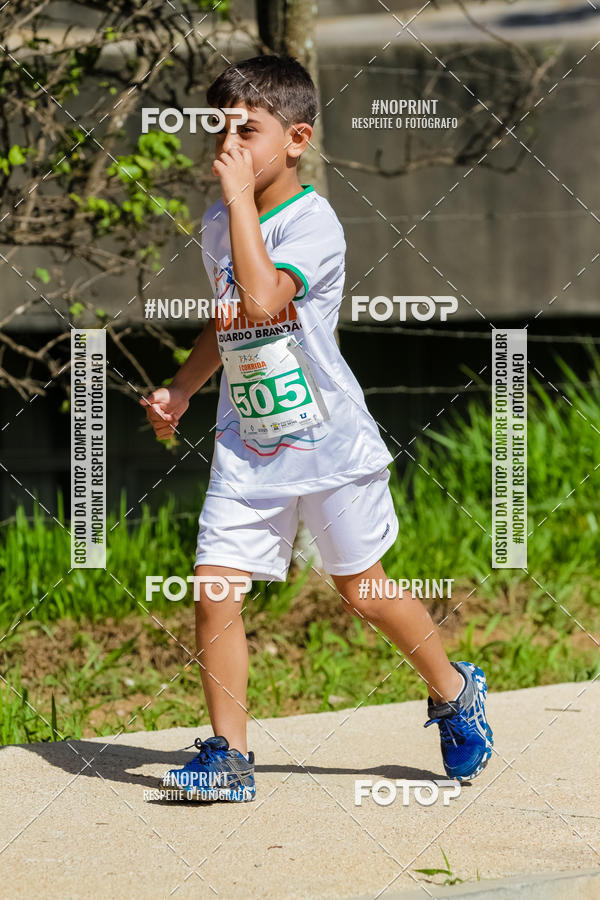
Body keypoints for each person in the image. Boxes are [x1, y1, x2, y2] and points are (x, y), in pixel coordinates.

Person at [140, 54, 493, 802]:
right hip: (247, 445)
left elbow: (268, 302)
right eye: (220, 128)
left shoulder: (313, 223)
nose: (228, 144)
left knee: (362, 592)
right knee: (213, 589)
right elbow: (232, 319)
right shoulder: (217, 224)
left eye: (249, 129)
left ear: (297, 138)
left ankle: (454, 689)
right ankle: (229, 757)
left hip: (326, 442)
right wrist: (181, 387)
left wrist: (238, 203)